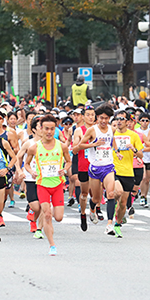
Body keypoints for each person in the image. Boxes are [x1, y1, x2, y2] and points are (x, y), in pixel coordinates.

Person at [25, 114, 72, 255]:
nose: (49, 132)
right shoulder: (34, 147)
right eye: (46, 128)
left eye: (52, 129)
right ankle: (52, 245)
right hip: (42, 185)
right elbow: (26, 164)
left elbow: (69, 161)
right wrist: (31, 172)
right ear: (41, 128)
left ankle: (49, 228)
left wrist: (65, 169)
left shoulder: (61, 146)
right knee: (46, 214)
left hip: (57, 185)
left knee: (58, 217)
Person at [77, 104, 124, 229]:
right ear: (97, 118)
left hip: (108, 166)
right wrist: (94, 144)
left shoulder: (111, 129)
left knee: (110, 194)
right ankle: (92, 208)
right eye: (101, 118)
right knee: (96, 198)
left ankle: (109, 224)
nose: (104, 121)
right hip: (95, 168)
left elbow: (112, 140)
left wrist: (117, 151)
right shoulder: (92, 130)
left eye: (106, 118)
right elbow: (80, 146)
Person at [111, 110, 143, 237]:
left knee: (123, 203)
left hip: (128, 171)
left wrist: (133, 149)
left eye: (122, 119)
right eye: (117, 119)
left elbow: (141, 154)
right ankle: (111, 208)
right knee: (117, 192)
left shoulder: (133, 135)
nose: (119, 121)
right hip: (113, 169)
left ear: (127, 122)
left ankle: (118, 224)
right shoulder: (111, 133)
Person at [16, 117, 44, 237]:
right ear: (34, 129)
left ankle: (38, 228)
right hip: (30, 177)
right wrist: (19, 171)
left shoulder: (50, 143)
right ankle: (32, 213)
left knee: (44, 204)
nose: (43, 129)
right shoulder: (28, 143)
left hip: (45, 178)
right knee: (35, 205)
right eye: (40, 126)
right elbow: (18, 157)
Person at [71, 106, 96, 230]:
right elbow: (75, 148)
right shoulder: (79, 131)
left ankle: (93, 207)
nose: (90, 117)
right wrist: (88, 144)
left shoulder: (99, 129)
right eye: (88, 115)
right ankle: (83, 214)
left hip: (97, 165)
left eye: (92, 114)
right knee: (85, 192)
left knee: (97, 193)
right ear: (83, 117)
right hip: (83, 165)